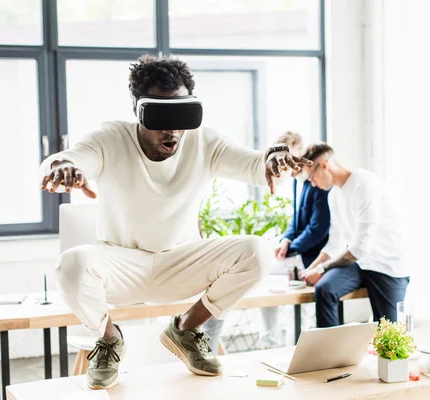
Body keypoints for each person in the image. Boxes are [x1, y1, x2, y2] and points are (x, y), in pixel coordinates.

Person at [40, 55, 311, 390]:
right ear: (137, 110)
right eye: (160, 117)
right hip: (122, 266)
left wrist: (273, 158)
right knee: (72, 264)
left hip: (180, 263)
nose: (171, 130)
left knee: (256, 250)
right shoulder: (111, 138)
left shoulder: (202, 142)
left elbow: (254, 163)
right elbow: (72, 158)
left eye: (180, 115)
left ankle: (185, 328)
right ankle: (109, 340)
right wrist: (62, 166)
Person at [299, 143, 410, 328]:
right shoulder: (333, 195)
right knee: (325, 290)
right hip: (360, 264)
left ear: (324, 165)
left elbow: (360, 248)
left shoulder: (364, 183)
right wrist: (310, 269)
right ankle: (333, 352)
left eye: (311, 177)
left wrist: (320, 270)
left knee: (389, 337)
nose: (313, 183)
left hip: (387, 265)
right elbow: (335, 243)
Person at [260, 131, 330, 348]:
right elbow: (296, 220)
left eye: (292, 155)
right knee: (265, 275)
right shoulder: (295, 181)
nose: (288, 163)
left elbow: (318, 227)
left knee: (268, 272)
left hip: (314, 254)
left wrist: (291, 249)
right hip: (298, 251)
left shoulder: (317, 181)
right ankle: (270, 340)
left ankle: (287, 342)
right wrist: (286, 240)